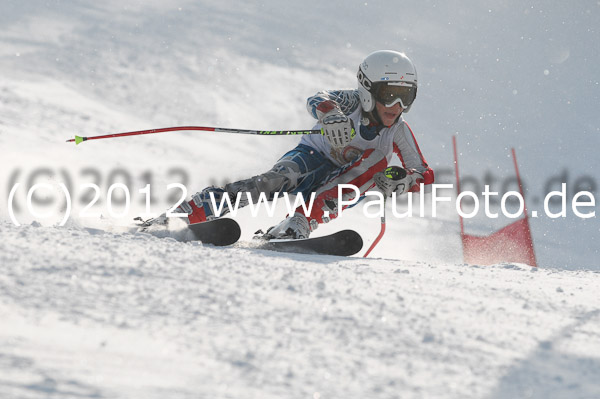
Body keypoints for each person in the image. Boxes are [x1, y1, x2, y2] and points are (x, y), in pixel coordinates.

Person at [145, 50, 434, 239]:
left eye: (406, 97)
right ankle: (189, 212)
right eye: (390, 94)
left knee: (377, 163)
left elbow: (422, 171)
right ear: (368, 89)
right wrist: (330, 113)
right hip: (312, 157)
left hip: (345, 181)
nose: (397, 105)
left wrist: (404, 181)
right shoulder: (351, 102)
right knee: (272, 183)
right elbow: (317, 98)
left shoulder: (398, 131)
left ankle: (297, 224)